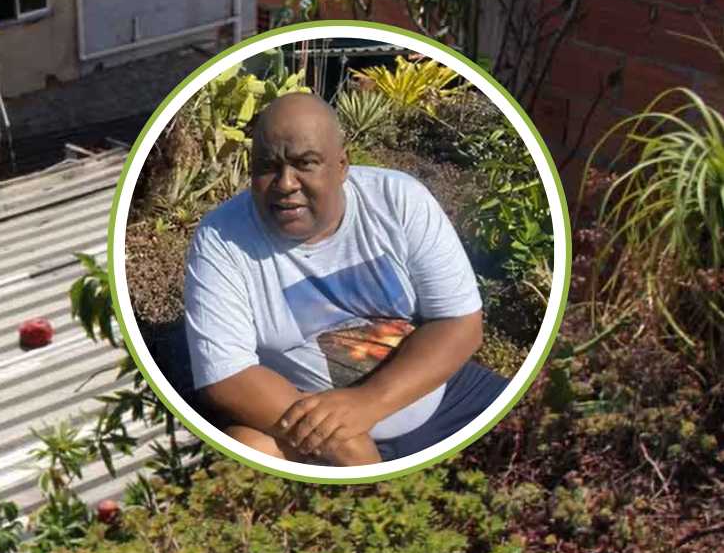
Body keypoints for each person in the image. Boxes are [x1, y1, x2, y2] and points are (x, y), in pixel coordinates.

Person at [182, 90, 509, 466]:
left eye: (305, 163)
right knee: (247, 450)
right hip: (314, 428)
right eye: (268, 167)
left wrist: (366, 403)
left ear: (342, 165)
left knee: (547, 430)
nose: (285, 183)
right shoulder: (223, 237)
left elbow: (461, 323)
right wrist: (348, 446)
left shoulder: (397, 200)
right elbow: (228, 375)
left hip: (440, 397)